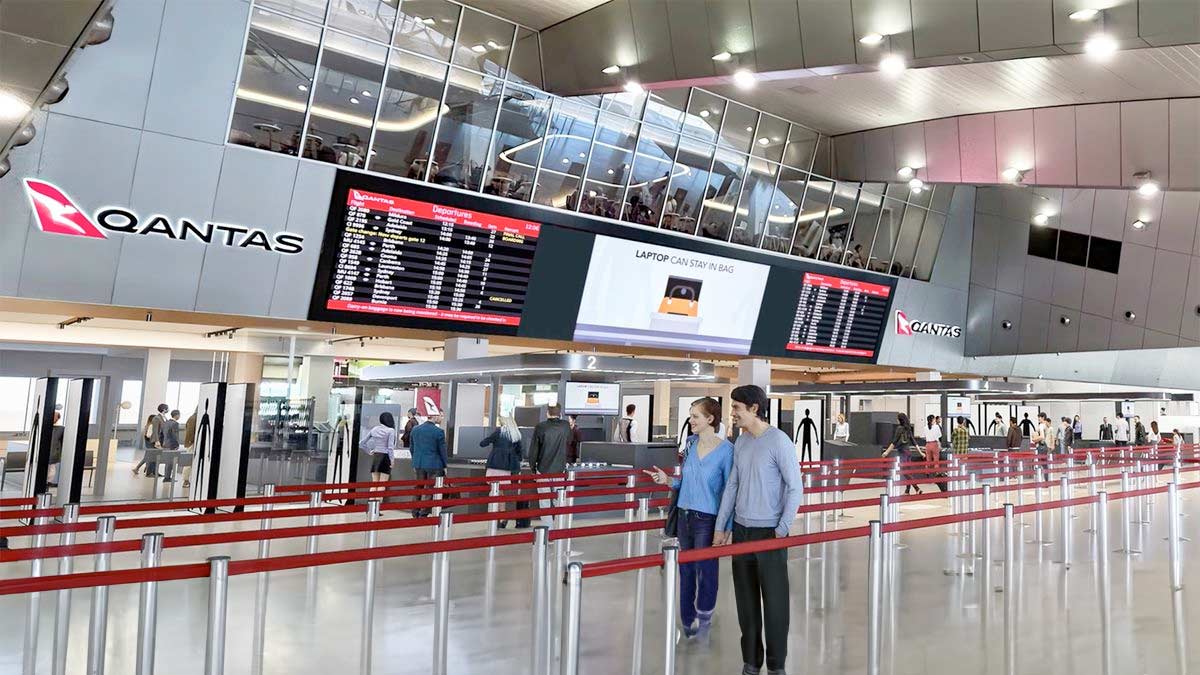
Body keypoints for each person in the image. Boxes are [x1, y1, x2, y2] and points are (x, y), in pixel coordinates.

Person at [713, 385, 803, 675]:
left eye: (737, 408)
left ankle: (777, 666)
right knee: (746, 603)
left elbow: (794, 488)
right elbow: (733, 486)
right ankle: (751, 662)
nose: (732, 414)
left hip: (770, 534)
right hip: (742, 530)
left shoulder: (779, 442)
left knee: (775, 604)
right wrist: (722, 526)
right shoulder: (741, 442)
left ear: (754, 409)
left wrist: (782, 529)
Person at [643, 397, 733, 639]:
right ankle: (687, 619)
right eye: (691, 415)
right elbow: (685, 482)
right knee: (686, 569)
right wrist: (667, 481)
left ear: (710, 419)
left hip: (707, 517)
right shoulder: (691, 445)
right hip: (684, 514)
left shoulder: (727, 451)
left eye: (695, 416)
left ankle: (705, 613)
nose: (691, 420)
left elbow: (729, 491)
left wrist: (725, 527)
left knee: (706, 568)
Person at [529, 405, 572, 524]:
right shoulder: (565, 426)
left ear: (547, 413)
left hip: (543, 469)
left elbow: (534, 450)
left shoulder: (540, 427)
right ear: (560, 414)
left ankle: (548, 532)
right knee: (559, 501)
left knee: (544, 502)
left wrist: (533, 467)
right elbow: (569, 441)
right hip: (559, 469)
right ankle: (559, 530)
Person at [481, 416, 524, 528]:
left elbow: (483, 443)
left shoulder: (498, 432)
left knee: (494, 492)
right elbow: (520, 453)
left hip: (494, 465)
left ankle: (494, 517)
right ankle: (502, 517)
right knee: (501, 493)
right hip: (506, 467)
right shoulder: (515, 435)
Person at [409, 413, 447, 517]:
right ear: (435, 416)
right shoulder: (439, 432)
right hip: (434, 464)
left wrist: (415, 460)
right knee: (430, 489)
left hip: (418, 463)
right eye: (441, 416)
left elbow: (412, 448)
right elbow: (442, 451)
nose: (442, 418)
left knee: (418, 487)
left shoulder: (415, 429)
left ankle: (415, 511)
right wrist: (445, 465)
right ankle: (424, 512)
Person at [881, 412, 922, 495]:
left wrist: (886, 452)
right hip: (908, 452)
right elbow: (914, 441)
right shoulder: (908, 428)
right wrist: (921, 452)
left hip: (903, 452)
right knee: (908, 472)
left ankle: (917, 488)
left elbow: (894, 442)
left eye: (897, 418)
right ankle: (907, 491)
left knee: (905, 472)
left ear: (900, 420)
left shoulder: (899, 428)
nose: (896, 420)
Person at [360, 411, 397, 485]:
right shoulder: (391, 431)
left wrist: (369, 451)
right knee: (382, 485)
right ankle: (379, 497)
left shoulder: (374, 429)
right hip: (385, 457)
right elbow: (390, 448)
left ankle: (372, 497)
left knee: (375, 484)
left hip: (376, 456)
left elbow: (361, 443)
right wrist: (392, 460)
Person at [133, 404, 168, 477]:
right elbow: (154, 433)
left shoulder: (162, 418)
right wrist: (157, 441)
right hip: (152, 443)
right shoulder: (156, 420)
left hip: (153, 442)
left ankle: (150, 471)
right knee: (149, 457)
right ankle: (147, 471)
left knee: (150, 457)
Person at [159, 410, 181, 483]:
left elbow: (161, 434)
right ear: (176, 415)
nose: (179, 416)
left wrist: (162, 443)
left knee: (167, 461)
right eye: (179, 415)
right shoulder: (175, 424)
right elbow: (175, 436)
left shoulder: (166, 422)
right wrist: (177, 444)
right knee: (170, 462)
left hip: (165, 444)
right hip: (172, 445)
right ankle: (167, 477)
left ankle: (166, 476)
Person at [182, 410, 197, 489]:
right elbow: (190, 432)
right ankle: (186, 480)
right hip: (192, 442)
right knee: (188, 462)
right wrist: (190, 442)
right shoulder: (193, 418)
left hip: (194, 442)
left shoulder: (194, 417)